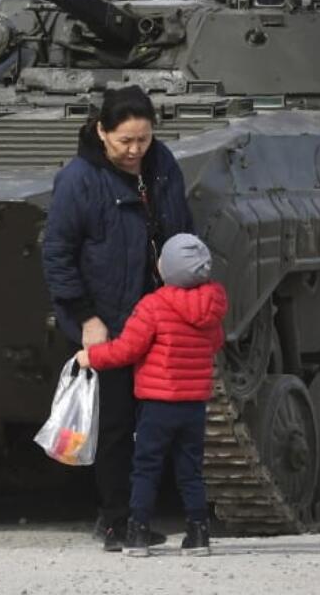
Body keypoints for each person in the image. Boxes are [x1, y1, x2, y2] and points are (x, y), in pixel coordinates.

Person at [41, 85, 194, 551]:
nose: (134, 151)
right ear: (101, 131)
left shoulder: (161, 165)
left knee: (157, 422)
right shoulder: (80, 179)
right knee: (114, 424)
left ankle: (152, 515)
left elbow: (182, 231)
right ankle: (116, 521)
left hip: (160, 315)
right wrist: (85, 316)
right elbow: (58, 254)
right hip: (106, 320)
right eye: (125, 140)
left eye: (143, 139)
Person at [75, 234, 227, 557]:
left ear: (165, 270)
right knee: (190, 470)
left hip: (157, 404)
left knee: (146, 467)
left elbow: (128, 349)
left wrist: (94, 357)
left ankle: (138, 533)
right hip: (193, 406)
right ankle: (199, 534)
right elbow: (215, 344)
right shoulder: (211, 308)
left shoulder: (154, 305)